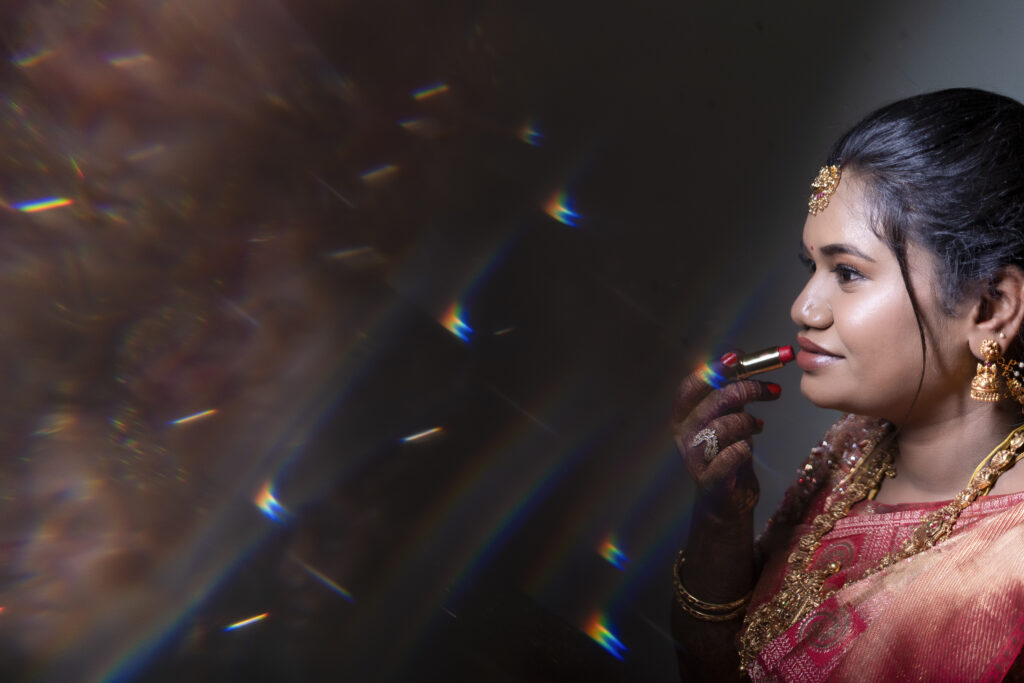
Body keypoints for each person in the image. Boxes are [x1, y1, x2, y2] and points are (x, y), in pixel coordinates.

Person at [671, 88, 1024, 681]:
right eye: (812, 267)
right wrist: (721, 523)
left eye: (849, 272)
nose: (804, 308)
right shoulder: (855, 446)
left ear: (990, 308)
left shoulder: (1009, 568)